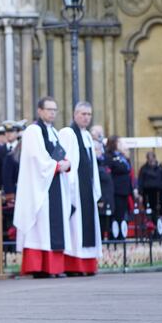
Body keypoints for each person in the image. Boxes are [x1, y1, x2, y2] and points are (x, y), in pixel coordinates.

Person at [14, 97, 71, 277]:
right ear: (39, 111)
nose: (52, 113)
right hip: (39, 187)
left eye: (55, 110)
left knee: (52, 225)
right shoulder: (33, 130)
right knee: (40, 227)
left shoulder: (53, 131)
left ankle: (54, 267)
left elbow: (62, 153)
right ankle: (40, 268)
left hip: (54, 183)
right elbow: (36, 158)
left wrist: (67, 164)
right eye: (49, 109)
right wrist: (56, 166)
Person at [58, 102, 102, 275]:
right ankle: (73, 266)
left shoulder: (88, 136)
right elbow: (63, 158)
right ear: (75, 114)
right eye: (83, 114)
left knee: (86, 225)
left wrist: (94, 187)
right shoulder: (68, 133)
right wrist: (69, 186)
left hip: (87, 187)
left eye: (89, 114)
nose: (86, 117)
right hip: (74, 188)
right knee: (75, 227)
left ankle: (88, 265)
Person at [104, 136, 135, 240]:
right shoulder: (109, 157)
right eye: (120, 143)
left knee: (122, 216)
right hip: (116, 191)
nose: (123, 145)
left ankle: (121, 235)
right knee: (116, 216)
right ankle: (114, 236)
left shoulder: (123, 157)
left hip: (125, 191)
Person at [138, 151, 162, 233]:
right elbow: (141, 182)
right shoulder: (144, 169)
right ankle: (152, 229)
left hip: (160, 194)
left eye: (152, 158)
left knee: (160, 213)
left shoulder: (161, 168)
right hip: (148, 195)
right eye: (149, 159)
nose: (151, 161)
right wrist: (140, 194)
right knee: (150, 212)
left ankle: (160, 229)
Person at [95, 140, 114, 240]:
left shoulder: (103, 163)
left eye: (100, 149)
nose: (100, 152)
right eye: (97, 149)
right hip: (101, 199)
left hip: (108, 197)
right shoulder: (94, 165)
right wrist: (100, 199)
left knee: (108, 223)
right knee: (101, 224)